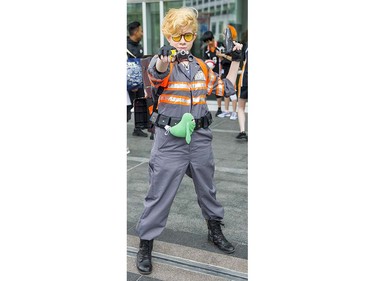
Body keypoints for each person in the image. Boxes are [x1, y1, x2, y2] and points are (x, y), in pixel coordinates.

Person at [135, 7, 243, 275]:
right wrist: (161, 59)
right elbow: (157, 74)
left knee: (208, 189)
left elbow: (226, 88)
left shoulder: (202, 67)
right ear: (168, 36)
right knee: (159, 193)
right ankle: (146, 242)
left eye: (187, 34)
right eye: (176, 35)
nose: (182, 40)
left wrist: (238, 61)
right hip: (170, 141)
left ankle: (214, 229)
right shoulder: (162, 63)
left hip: (200, 140)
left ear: (193, 35)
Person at [127, 21, 148, 137]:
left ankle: (138, 128)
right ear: (135, 32)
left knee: (140, 103)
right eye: (141, 31)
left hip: (139, 81)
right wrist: (131, 83)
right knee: (127, 107)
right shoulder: (126, 47)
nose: (142, 33)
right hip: (129, 84)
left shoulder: (139, 47)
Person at [216, 24, 238, 120]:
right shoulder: (224, 45)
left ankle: (234, 112)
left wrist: (223, 55)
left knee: (232, 92)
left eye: (226, 32)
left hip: (231, 70)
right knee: (226, 91)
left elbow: (233, 58)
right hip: (224, 70)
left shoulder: (234, 45)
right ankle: (226, 111)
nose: (224, 34)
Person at [201, 31, 225, 117]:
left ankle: (219, 109)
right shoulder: (206, 49)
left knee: (219, 89)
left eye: (209, 41)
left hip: (220, 70)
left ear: (213, 39)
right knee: (206, 90)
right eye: (206, 42)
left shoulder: (220, 45)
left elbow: (225, 57)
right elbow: (205, 61)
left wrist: (221, 56)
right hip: (209, 72)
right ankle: (204, 108)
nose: (208, 43)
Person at [236, 33, 248, 140]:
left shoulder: (246, 46)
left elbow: (243, 61)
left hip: (245, 80)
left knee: (241, 107)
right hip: (245, 79)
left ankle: (242, 131)